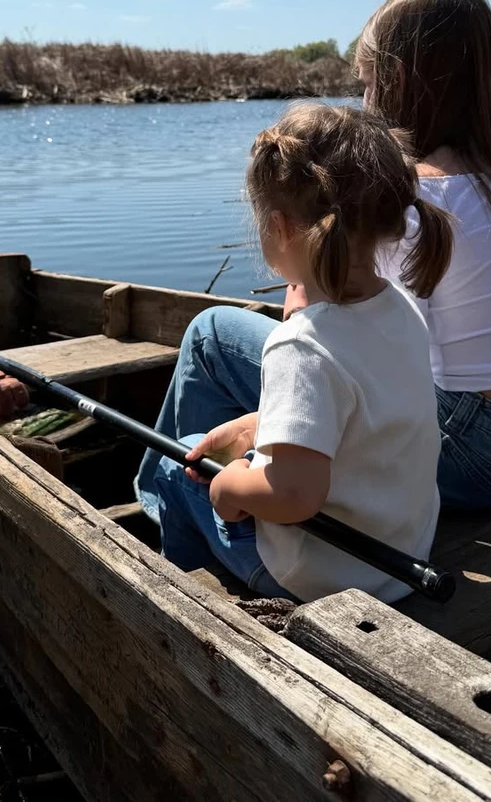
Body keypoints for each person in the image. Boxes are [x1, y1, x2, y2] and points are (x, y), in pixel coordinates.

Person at [136, 0, 491, 515]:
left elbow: (355, 345)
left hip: (466, 455)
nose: (365, 99)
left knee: (211, 335)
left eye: (367, 83)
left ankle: (174, 502)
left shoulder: (416, 194)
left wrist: (283, 400)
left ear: (393, 80)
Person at [151, 103, 450, 602]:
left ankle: (180, 598)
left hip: (325, 580)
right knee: (217, 455)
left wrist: (228, 489)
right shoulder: (400, 308)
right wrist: (258, 425)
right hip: (402, 553)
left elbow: (293, 495)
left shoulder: (299, 345)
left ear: (281, 227)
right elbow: (363, 421)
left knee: (173, 468)